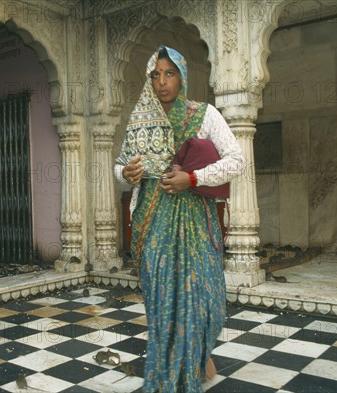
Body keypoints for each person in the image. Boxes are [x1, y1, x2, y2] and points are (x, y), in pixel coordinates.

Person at [114, 46, 244, 392]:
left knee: (203, 294)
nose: (161, 82)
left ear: (182, 77)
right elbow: (119, 166)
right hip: (152, 219)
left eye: (169, 73)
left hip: (194, 218)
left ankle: (199, 353)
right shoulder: (140, 118)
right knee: (161, 294)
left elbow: (236, 160)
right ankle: (171, 363)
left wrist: (193, 178)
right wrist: (125, 173)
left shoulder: (205, 115)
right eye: (155, 74)